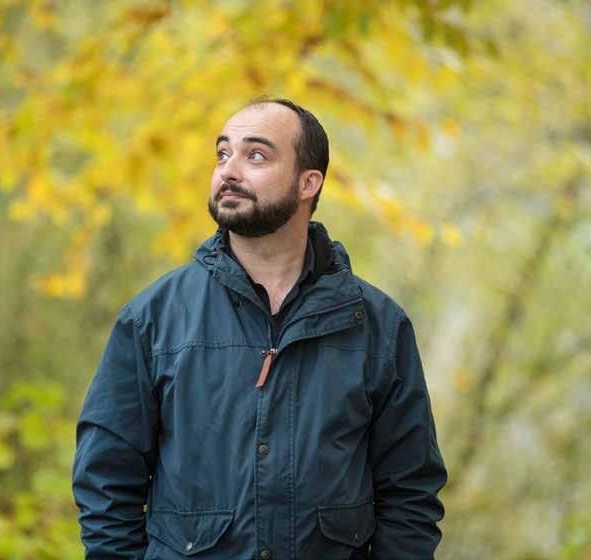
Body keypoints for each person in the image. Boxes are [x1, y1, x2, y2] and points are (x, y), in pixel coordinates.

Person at [72, 97, 447, 559]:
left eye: (256, 155)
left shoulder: (378, 328)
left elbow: (410, 497)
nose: (229, 171)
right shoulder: (152, 319)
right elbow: (106, 485)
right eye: (223, 153)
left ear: (309, 182)